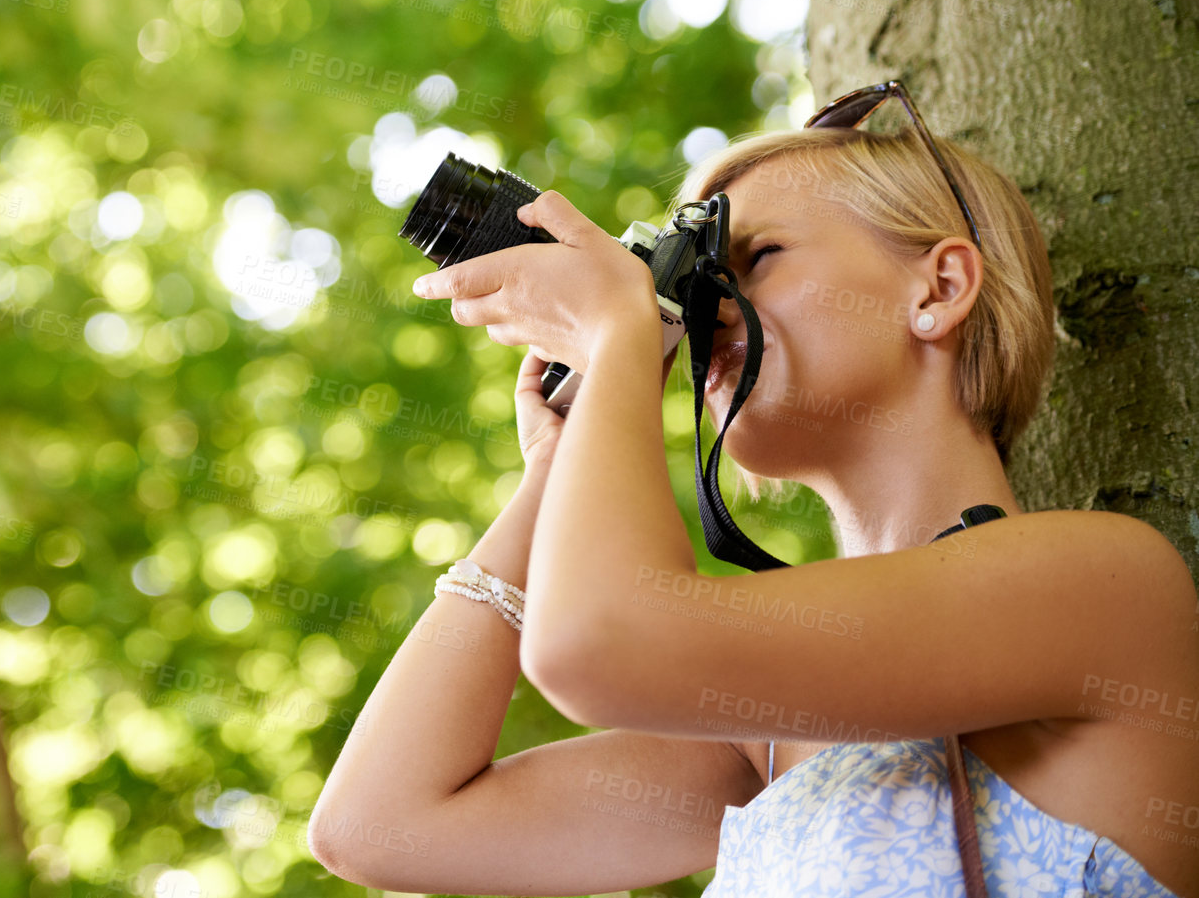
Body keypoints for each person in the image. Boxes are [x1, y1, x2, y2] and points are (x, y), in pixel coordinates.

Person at [307, 104, 1199, 898]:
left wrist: (617, 331)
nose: (707, 314)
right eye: (697, 279)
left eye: (757, 258)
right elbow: (383, 823)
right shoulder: (763, 743)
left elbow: (597, 645)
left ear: (939, 287)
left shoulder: (1101, 585)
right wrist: (556, 467)